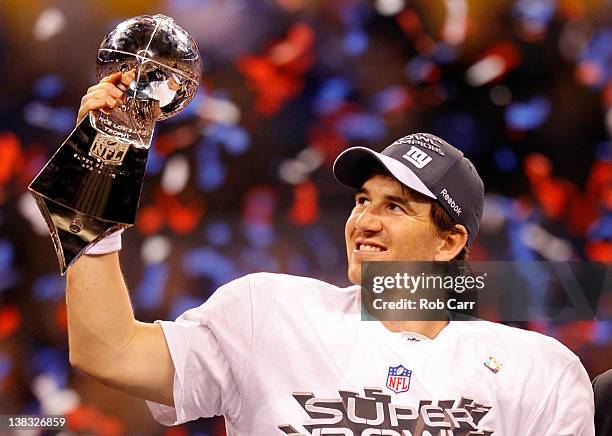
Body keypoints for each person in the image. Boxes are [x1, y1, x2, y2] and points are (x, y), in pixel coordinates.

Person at [67, 71, 595, 435]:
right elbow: (108, 351)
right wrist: (99, 174)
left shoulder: (539, 371)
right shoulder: (267, 314)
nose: (364, 220)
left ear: (450, 241)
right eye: (363, 200)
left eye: (396, 207)